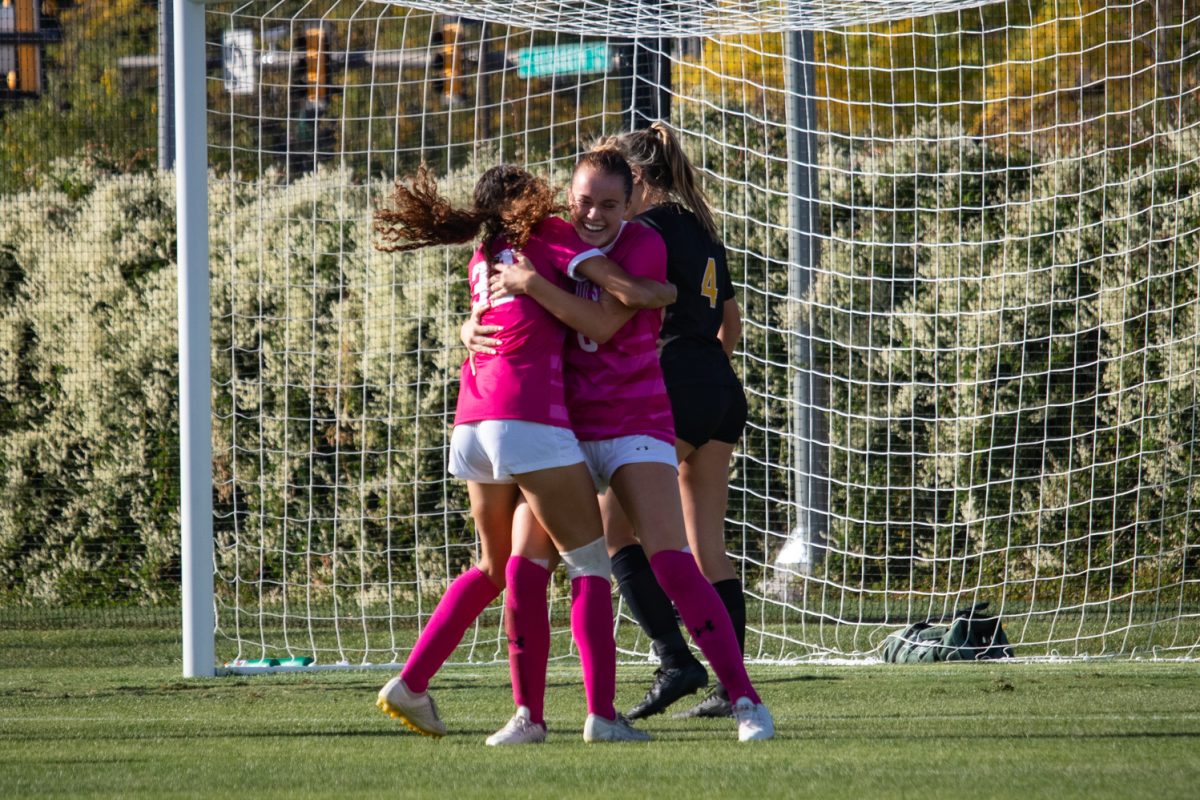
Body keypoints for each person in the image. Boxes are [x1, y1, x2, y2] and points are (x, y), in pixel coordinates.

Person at [486, 148, 774, 742]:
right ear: (569, 196)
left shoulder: (643, 241)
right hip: (562, 427)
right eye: (585, 201)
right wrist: (473, 325)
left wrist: (541, 282)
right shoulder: (552, 236)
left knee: (671, 557)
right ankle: (531, 717)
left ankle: (746, 701)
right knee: (526, 564)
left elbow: (607, 320)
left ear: (631, 199)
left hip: (635, 420)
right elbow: (500, 296)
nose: (595, 213)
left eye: (609, 203)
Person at [371, 164, 660, 743]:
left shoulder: (484, 254)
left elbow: (489, 320)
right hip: (526, 417)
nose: (552, 198)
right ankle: (602, 716)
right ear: (524, 201)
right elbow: (619, 288)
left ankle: (412, 683)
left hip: (471, 420)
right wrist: (666, 292)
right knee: (590, 565)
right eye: (539, 190)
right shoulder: (547, 236)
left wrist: (463, 330)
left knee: (494, 565)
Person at [600, 122, 751, 720]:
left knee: (616, 530)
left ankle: (675, 661)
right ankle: (728, 683)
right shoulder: (702, 230)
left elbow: (624, 298)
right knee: (705, 545)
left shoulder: (641, 231)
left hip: (676, 384)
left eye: (618, 184)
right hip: (719, 385)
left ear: (636, 180)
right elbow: (730, 327)